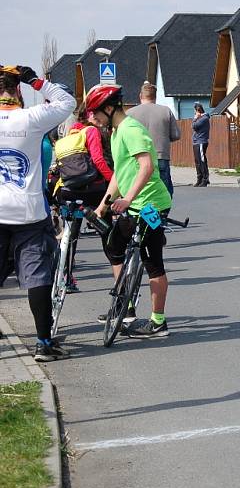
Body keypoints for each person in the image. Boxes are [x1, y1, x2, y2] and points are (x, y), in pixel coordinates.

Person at [0, 66, 76, 360]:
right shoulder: (30, 118)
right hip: (28, 213)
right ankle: (44, 343)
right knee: (37, 278)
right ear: (18, 91)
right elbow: (67, 103)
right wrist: (37, 81)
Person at [90, 84, 174, 337]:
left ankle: (158, 322)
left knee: (153, 262)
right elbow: (120, 173)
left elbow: (146, 167)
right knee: (114, 247)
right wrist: (103, 205)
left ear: (108, 107)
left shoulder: (131, 129)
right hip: (132, 203)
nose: (93, 118)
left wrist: (127, 198)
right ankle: (124, 306)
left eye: (96, 112)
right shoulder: (116, 132)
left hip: (151, 205)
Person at [53, 99, 115, 293]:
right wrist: (113, 181)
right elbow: (97, 160)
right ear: (87, 115)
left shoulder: (71, 133)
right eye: (94, 114)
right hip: (92, 191)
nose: (98, 118)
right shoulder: (92, 131)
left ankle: (65, 276)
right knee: (107, 231)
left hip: (68, 191)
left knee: (72, 233)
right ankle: (118, 275)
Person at [127, 82, 180, 197]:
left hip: (138, 157)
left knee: (140, 190)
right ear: (155, 96)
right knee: (164, 190)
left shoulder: (130, 113)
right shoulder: (166, 111)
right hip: (160, 156)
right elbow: (176, 135)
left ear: (140, 96)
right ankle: (162, 213)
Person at [191, 103, 211, 187]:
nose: (194, 114)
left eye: (195, 111)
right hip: (196, 142)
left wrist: (195, 118)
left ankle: (205, 179)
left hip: (201, 142)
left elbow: (194, 126)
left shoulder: (204, 118)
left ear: (198, 110)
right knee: (197, 161)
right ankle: (199, 178)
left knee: (202, 161)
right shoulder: (201, 118)